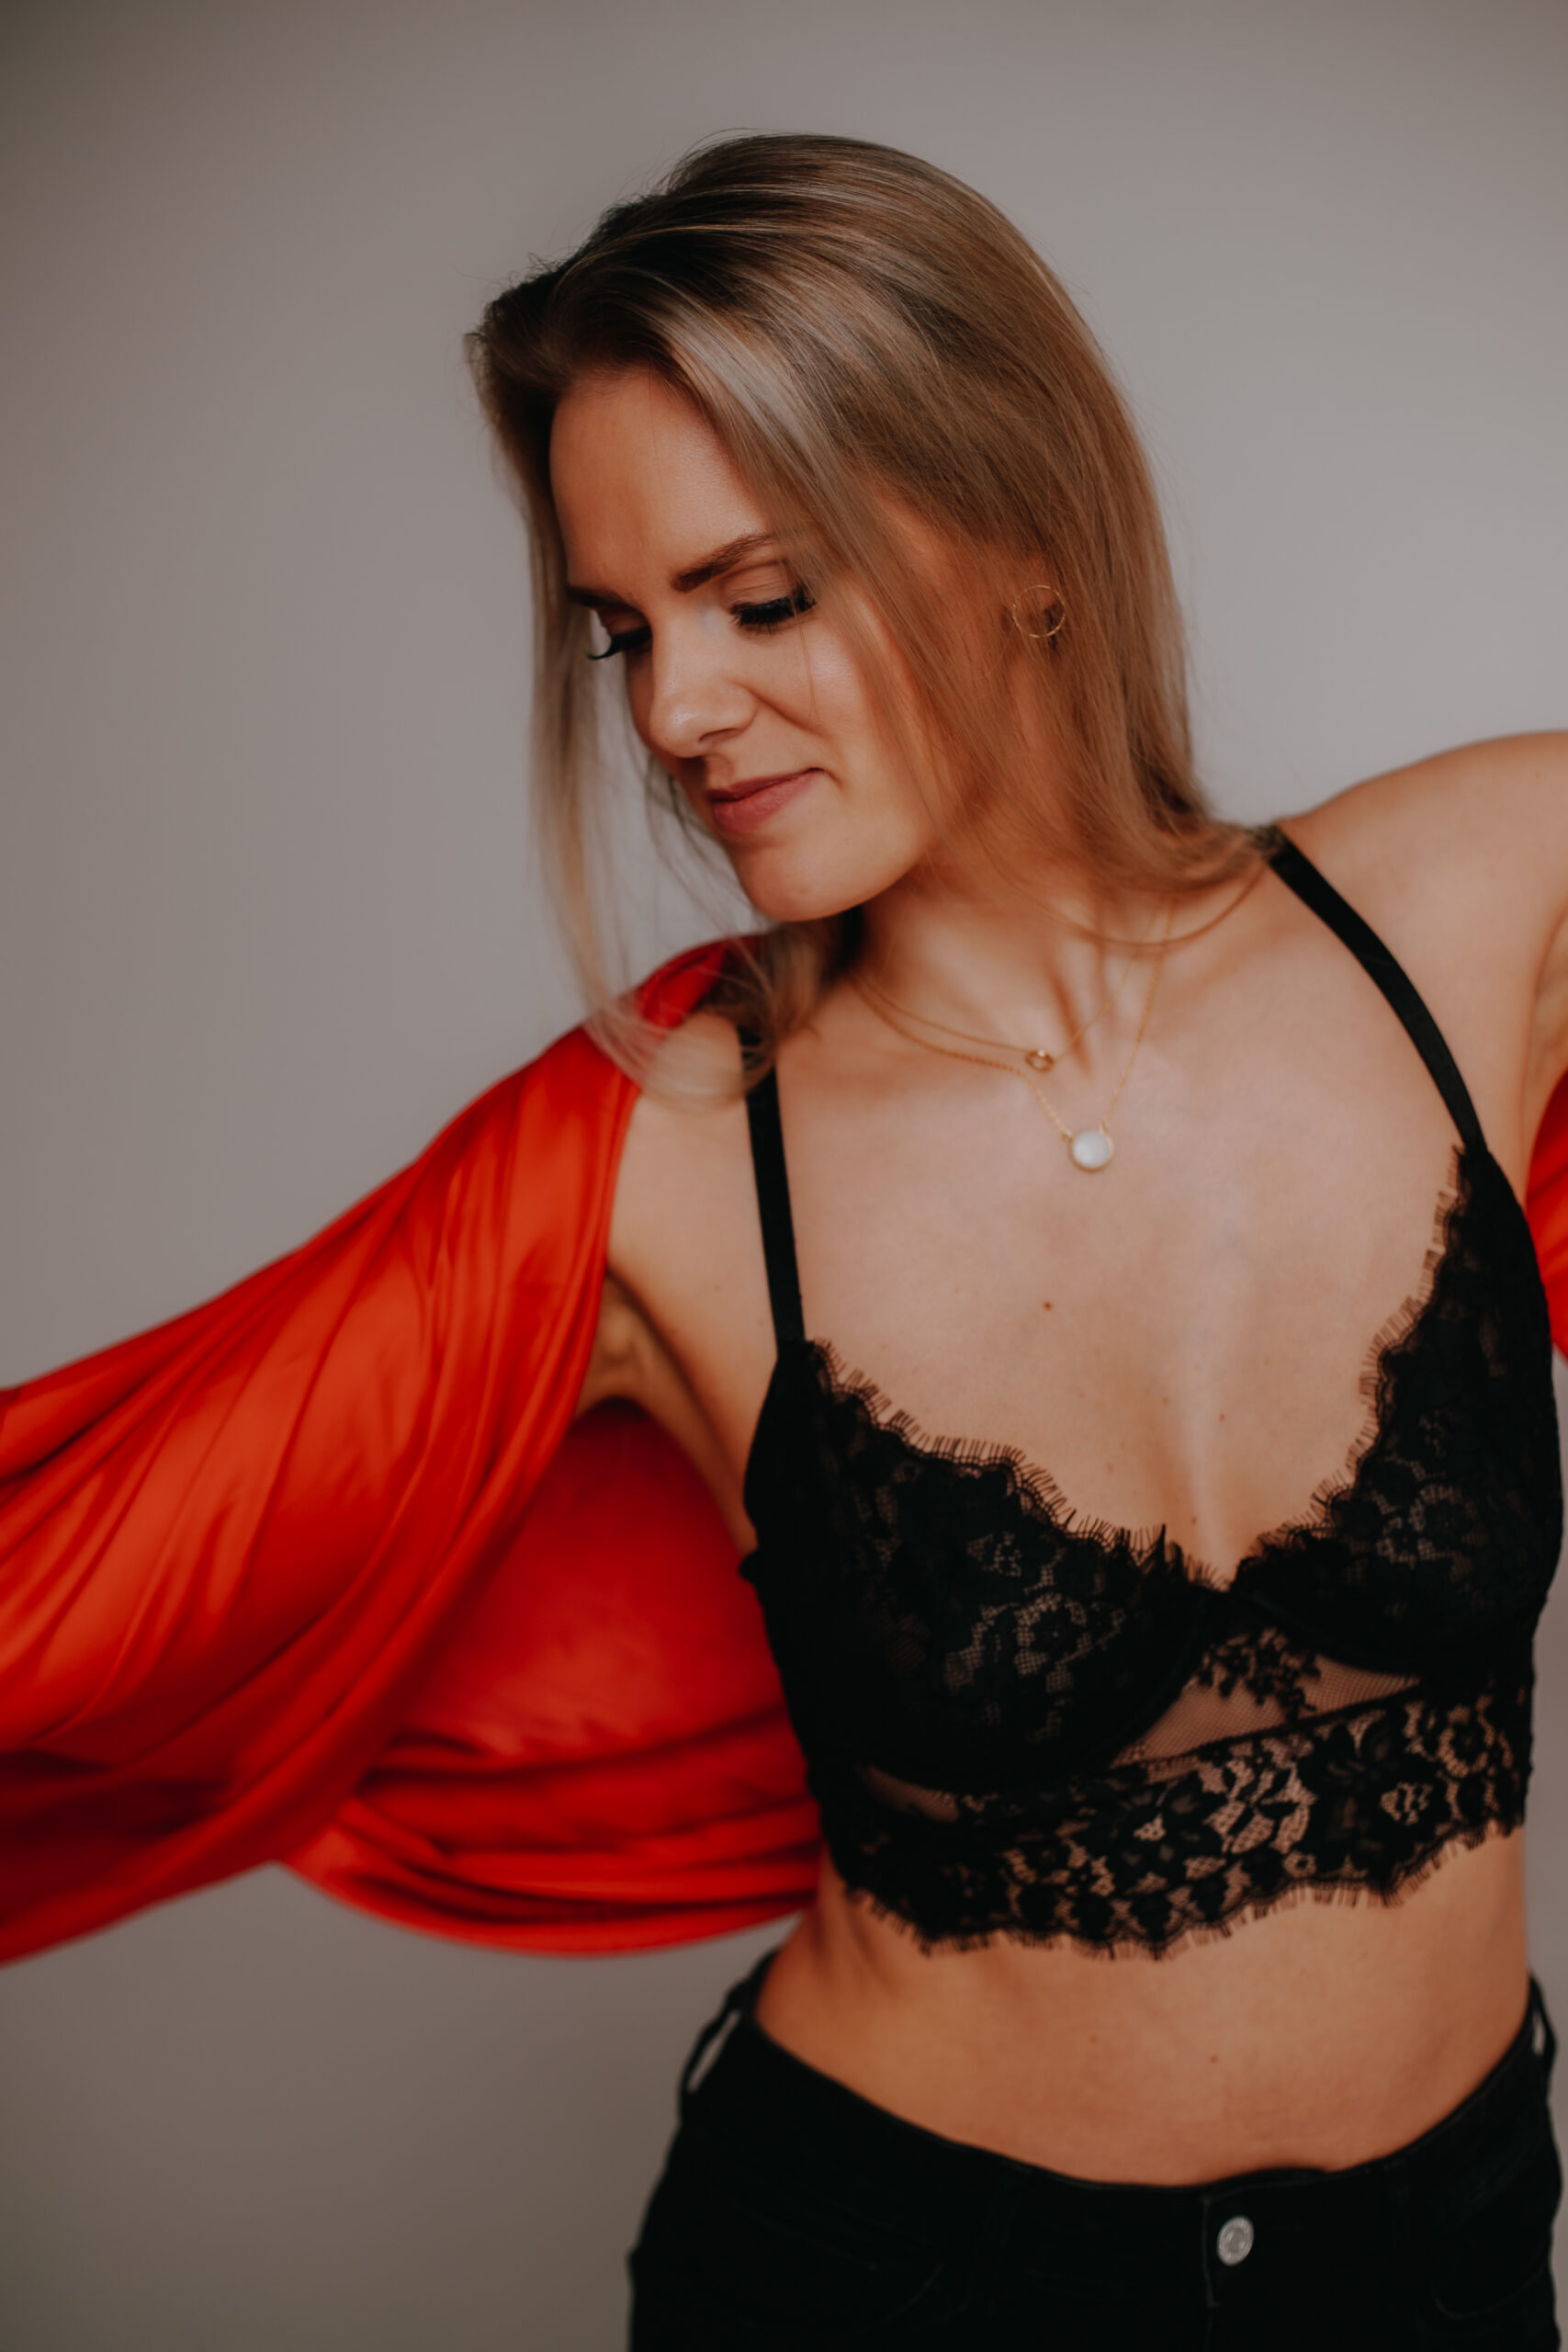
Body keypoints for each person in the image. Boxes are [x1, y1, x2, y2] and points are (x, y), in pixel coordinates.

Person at [3, 133, 1567, 2346]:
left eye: (755, 599)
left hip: (1444, 2263)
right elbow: (80, 1573)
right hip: (888, 2278)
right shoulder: (645, 1159)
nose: (669, 711)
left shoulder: (1482, 902)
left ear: (1018, 534)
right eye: (622, 632)